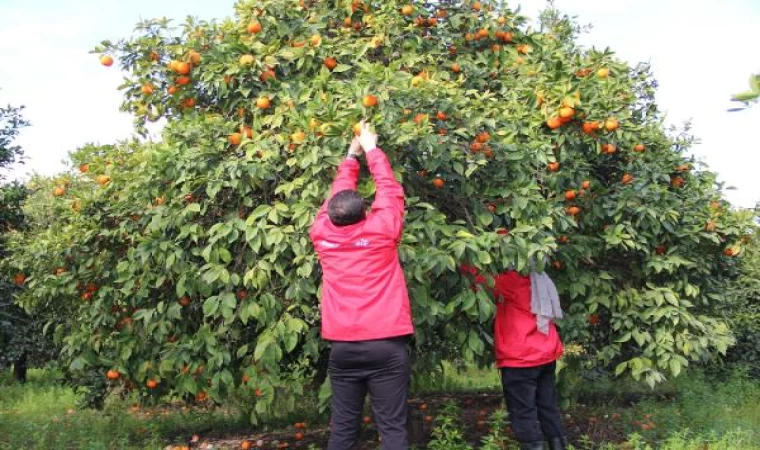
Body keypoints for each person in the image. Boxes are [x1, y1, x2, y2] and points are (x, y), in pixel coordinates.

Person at [310, 122, 413, 450]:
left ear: (330, 216)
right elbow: (389, 189)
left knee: (342, 429)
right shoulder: (382, 230)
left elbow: (335, 200)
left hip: (344, 348)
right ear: (365, 213)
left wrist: (350, 158)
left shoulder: (322, 235)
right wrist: (370, 148)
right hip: (386, 346)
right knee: (393, 430)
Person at [462, 265, 568, 450]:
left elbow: (476, 280)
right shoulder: (538, 275)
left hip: (521, 357)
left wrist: (463, 259)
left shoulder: (509, 280)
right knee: (548, 408)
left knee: (523, 413)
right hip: (545, 354)